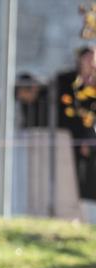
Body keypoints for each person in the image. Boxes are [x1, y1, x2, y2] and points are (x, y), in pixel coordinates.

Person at [57, 46, 96, 198]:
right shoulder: (67, 80)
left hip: (90, 135)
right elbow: (68, 110)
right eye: (88, 58)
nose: (92, 62)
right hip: (72, 133)